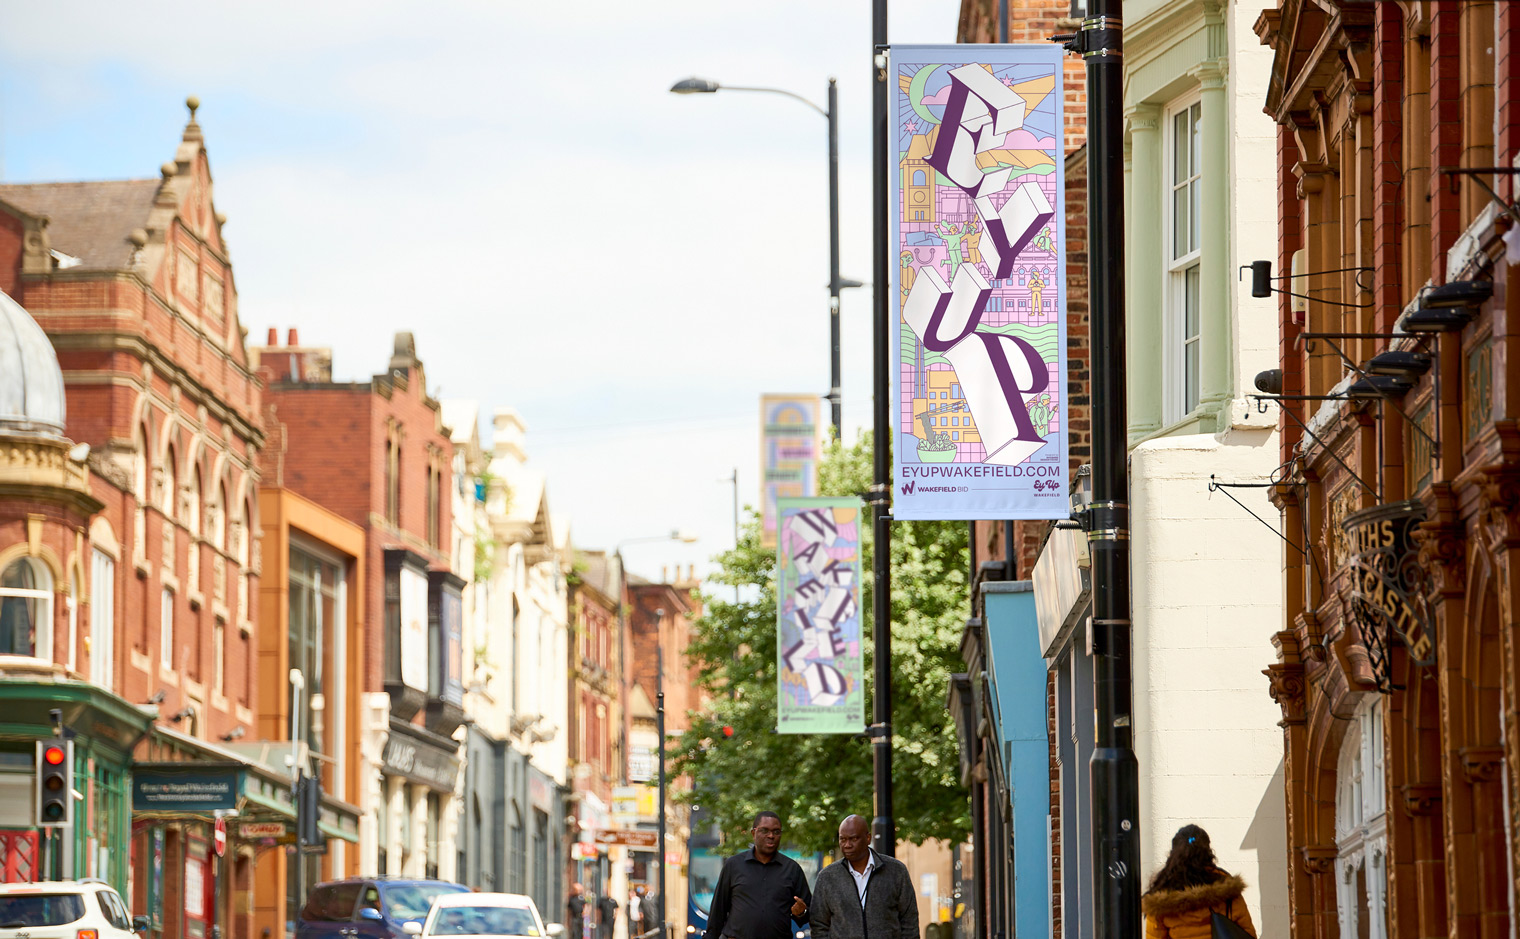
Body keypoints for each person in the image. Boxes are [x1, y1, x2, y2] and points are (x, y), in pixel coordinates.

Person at [705, 811, 811, 939]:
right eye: (764, 830)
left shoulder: (793, 869)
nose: (771, 835)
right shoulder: (733, 865)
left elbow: (809, 915)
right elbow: (718, 911)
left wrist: (801, 913)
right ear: (753, 833)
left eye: (776, 832)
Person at [809, 815, 917, 939]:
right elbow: (818, 925)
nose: (847, 845)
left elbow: (909, 921)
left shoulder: (896, 871)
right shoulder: (828, 877)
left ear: (868, 838)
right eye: (842, 839)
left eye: (853, 839)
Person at [1140, 824, 1256, 939]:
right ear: (1208, 851)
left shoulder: (1162, 895)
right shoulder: (1226, 886)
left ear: (1173, 853)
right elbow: (1247, 934)